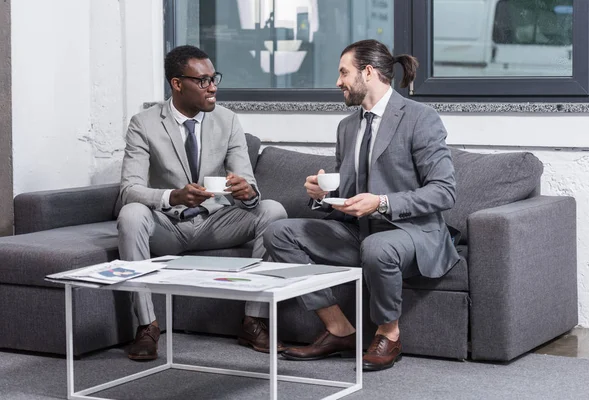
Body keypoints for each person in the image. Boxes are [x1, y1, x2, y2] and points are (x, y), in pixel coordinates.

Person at [263, 39, 460, 371]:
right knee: (278, 233)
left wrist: (381, 203)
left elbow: (444, 191)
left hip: (411, 232)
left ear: (368, 72)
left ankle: (389, 333)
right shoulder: (347, 127)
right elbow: (350, 190)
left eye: (343, 72)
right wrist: (322, 194)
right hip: (359, 231)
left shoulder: (419, 118)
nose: (338, 82)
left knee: (378, 248)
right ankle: (339, 329)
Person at [118, 45, 287, 361]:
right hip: (167, 225)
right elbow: (129, 190)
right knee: (131, 215)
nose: (213, 87)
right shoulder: (144, 124)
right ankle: (147, 326)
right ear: (177, 84)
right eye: (203, 81)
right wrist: (173, 196)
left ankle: (253, 320)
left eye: (214, 78)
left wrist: (247, 192)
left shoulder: (228, 120)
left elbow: (249, 186)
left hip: (214, 222)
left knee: (273, 210)